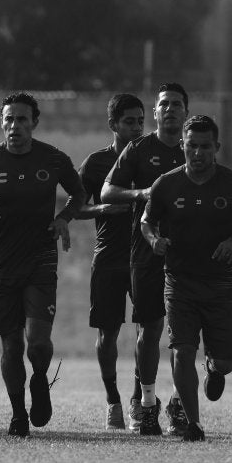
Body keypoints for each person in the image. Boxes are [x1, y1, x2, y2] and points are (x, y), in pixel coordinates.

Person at [0, 92, 84, 437]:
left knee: (38, 342)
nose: (15, 126)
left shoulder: (53, 159)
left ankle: (40, 378)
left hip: (41, 261)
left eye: (22, 119)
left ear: (34, 123)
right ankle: (17, 414)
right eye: (9, 119)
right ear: (2, 122)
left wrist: (64, 218)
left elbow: (80, 193)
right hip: (2, 265)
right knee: (11, 345)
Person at [141, 115, 232, 442]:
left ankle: (214, 368)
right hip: (179, 283)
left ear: (217, 148)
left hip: (222, 285)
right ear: (182, 145)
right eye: (192, 146)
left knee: (225, 362)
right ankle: (193, 423)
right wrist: (154, 240)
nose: (198, 153)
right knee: (182, 351)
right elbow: (146, 222)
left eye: (205, 146)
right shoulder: (165, 184)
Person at [101, 83, 189, 435]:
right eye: (164, 104)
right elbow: (108, 190)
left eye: (176, 105)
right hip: (147, 251)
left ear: (185, 111)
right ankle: (147, 404)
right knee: (150, 328)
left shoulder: (194, 148)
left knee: (184, 334)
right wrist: (142, 192)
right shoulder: (139, 149)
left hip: (188, 255)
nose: (170, 110)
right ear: (155, 112)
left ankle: (180, 405)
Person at [71, 94, 144, 430]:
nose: (136, 127)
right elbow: (75, 207)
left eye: (140, 121)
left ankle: (138, 401)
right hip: (108, 258)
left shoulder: (150, 159)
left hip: (144, 258)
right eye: (129, 121)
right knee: (108, 335)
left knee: (149, 331)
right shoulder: (97, 163)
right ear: (113, 124)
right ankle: (113, 399)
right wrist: (101, 209)